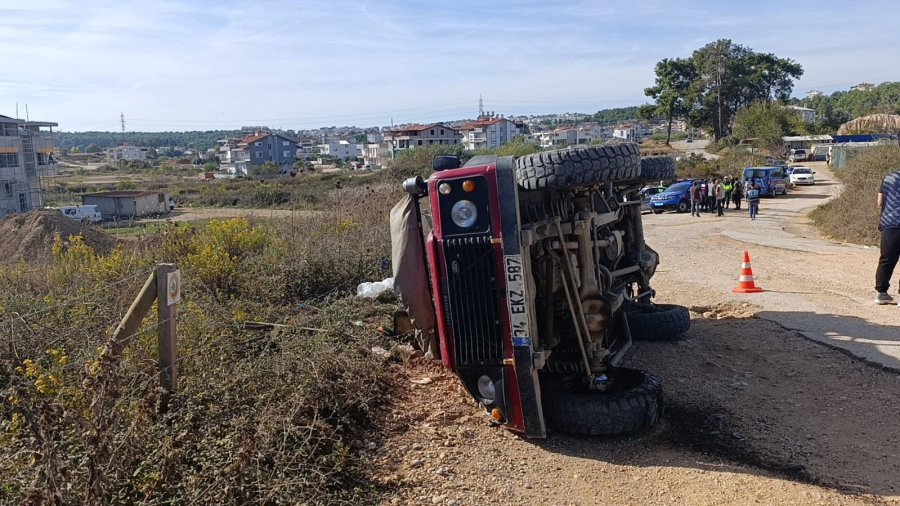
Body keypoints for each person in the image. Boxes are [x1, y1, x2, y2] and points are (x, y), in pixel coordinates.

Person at [875, 168, 900, 305]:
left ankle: (881, 293)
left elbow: (879, 202)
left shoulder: (888, 178)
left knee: (886, 259)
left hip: (889, 224)